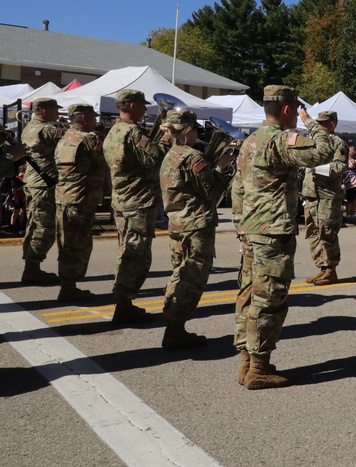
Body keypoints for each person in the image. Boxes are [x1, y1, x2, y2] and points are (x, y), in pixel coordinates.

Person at [232, 85, 334, 390]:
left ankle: (247, 363)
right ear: (289, 109)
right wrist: (311, 123)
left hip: (252, 229)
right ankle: (258, 370)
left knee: (249, 295)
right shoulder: (280, 139)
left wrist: (242, 225)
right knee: (270, 300)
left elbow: (237, 188)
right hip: (272, 232)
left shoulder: (250, 141)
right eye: (297, 109)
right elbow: (324, 151)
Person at [159, 109, 233, 350]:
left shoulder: (171, 154)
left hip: (177, 222)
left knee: (179, 272)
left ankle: (172, 321)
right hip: (196, 224)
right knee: (194, 276)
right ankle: (176, 330)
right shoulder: (193, 158)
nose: (198, 135)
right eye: (196, 131)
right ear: (188, 130)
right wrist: (221, 168)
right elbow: (213, 194)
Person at [103, 89, 166, 324]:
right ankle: (124, 304)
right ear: (130, 105)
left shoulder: (114, 131)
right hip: (137, 201)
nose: (144, 108)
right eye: (141, 104)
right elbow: (156, 158)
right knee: (135, 255)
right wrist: (166, 139)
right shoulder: (132, 133)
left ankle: (124, 302)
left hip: (123, 199)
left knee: (126, 250)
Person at [54, 104, 106, 303]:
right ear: (84, 119)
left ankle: (68, 285)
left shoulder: (65, 138)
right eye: (93, 117)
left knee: (66, 243)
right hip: (81, 199)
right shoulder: (89, 139)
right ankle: (69, 288)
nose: (95, 120)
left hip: (64, 197)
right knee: (79, 245)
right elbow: (105, 161)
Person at [301, 111, 348, 286]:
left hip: (328, 196)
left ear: (332, 124)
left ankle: (331, 270)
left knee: (327, 233)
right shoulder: (314, 143)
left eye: (323, 122)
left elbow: (339, 167)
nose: (319, 125)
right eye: (317, 122)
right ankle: (322, 268)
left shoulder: (337, 143)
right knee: (313, 234)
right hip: (312, 195)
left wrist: (315, 168)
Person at [20, 97, 63, 285]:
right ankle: (33, 269)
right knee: (44, 226)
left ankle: (31, 266)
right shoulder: (46, 129)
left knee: (34, 224)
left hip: (34, 180)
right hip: (43, 184)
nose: (58, 114)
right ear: (45, 111)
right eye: (55, 110)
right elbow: (72, 135)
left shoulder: (29, 127)